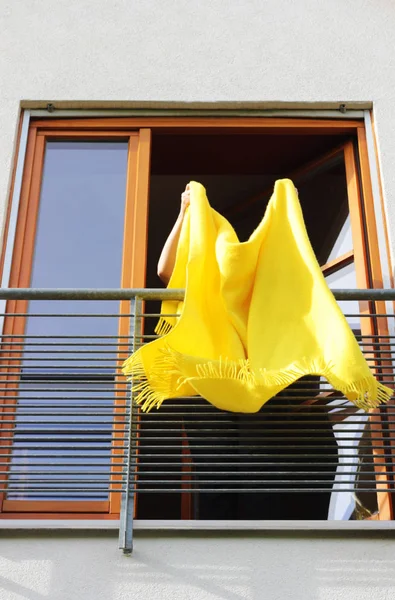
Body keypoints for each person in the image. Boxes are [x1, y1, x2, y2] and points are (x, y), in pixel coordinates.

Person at [156, 184, 338, 520]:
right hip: (219, 387)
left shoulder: (276, 291)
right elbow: (167, 271)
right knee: (220, 480)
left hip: (269, 397)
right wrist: (184, 213)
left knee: (264, 482)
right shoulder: (209, 285)